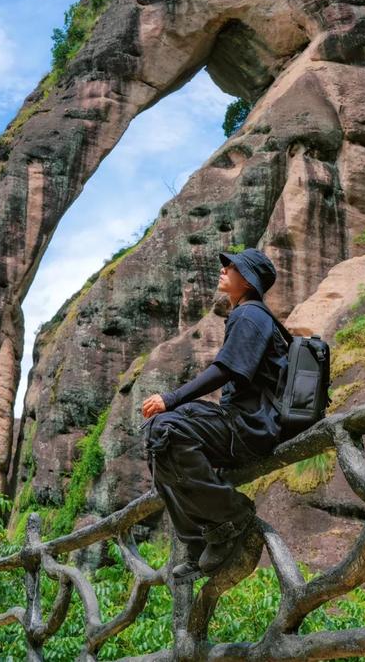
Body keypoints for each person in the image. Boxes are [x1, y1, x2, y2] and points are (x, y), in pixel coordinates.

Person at [141, 247, 288, 582]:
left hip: (253, 426)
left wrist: (172, 398)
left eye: (232, 265)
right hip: (241, 423)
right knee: (157, 440)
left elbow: (226, 369)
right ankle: (197, 545)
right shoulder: (244, 314)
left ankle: (233, 517)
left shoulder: (251, 315)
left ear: (248, 280)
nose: (224, 268)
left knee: (167, 428)